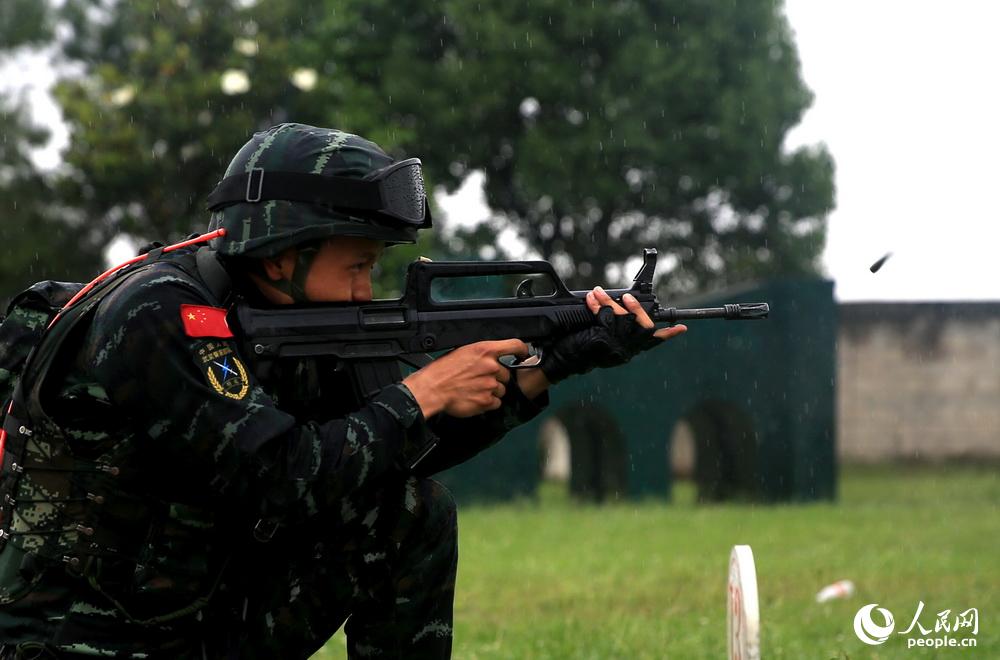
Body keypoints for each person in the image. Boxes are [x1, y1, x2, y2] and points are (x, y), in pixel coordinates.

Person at [0, 123, 686, 658]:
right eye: (356, 264)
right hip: (79, 638)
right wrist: (418, 394)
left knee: (408, 512)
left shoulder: (285, 317)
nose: (366, 287)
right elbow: (277, 477)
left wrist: (555, 364)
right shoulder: (159, 314)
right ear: (282, 253)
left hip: (190, 619)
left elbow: (385, 456)